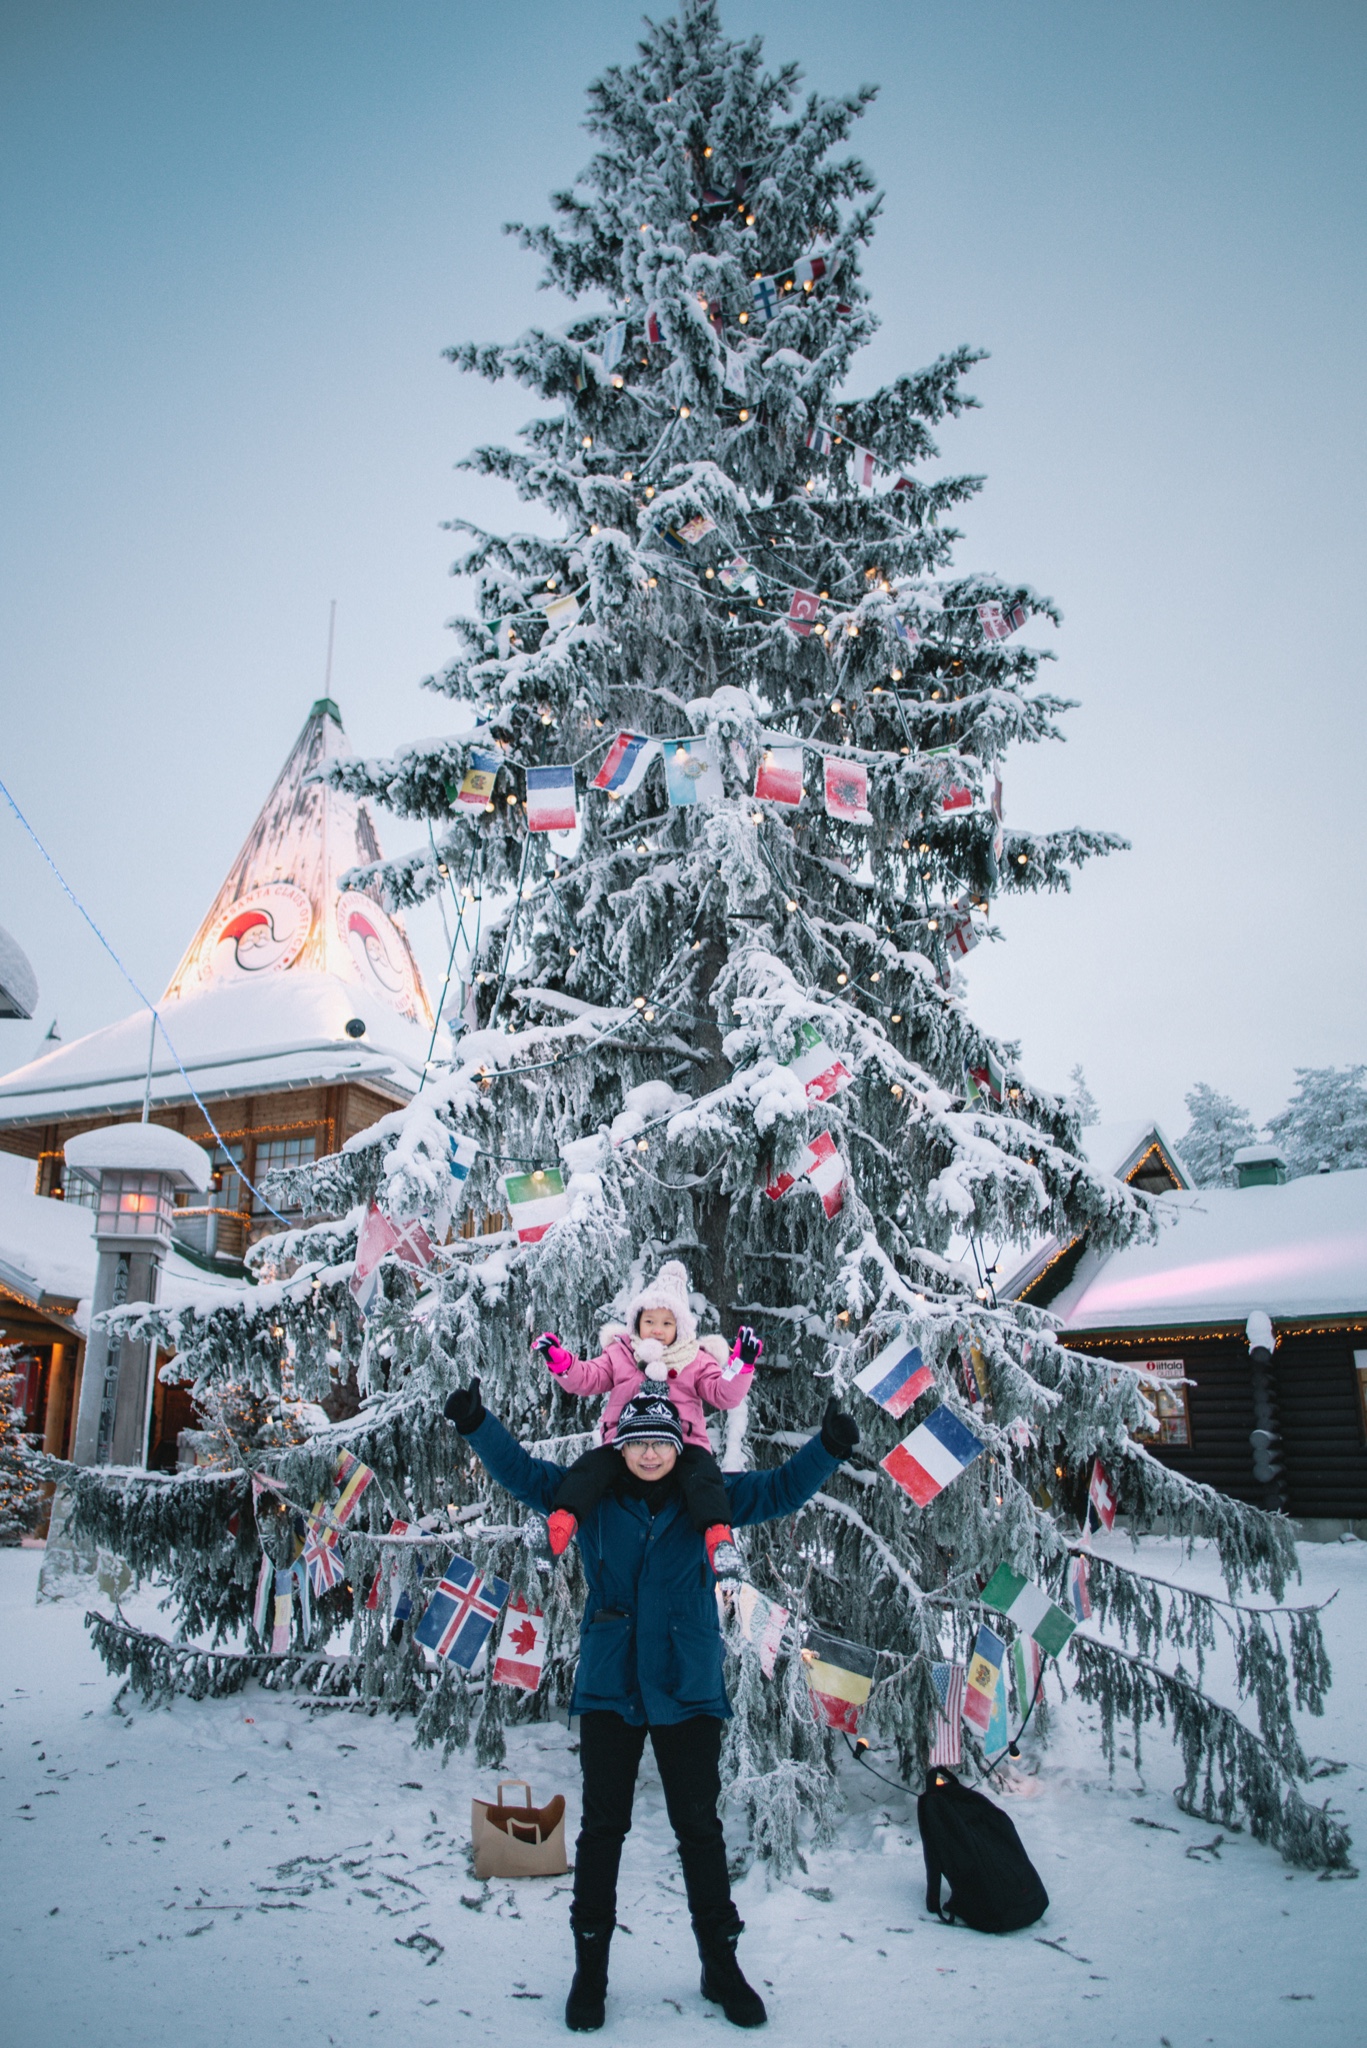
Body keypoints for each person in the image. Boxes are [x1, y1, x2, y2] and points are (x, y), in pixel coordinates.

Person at [444, 1376, 860, 2032]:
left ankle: (720, 1967)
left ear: (676, 1443)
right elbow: (520, 1471)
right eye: (635, 1441)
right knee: (603, 1830)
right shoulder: (592, 1495)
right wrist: (475, 1421)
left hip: (687, 1686)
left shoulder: (709, 1496)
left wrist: (827, 1447)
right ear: (619, 1443)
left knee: (699, 1830)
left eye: (658, 1442)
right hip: (611, 1686)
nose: (647, 1454)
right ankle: (590, 1970)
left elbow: (780, 1488)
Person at [533, 1259, 760, 1578]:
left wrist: (741, 1365)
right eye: (650, 1320)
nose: (657, 1329)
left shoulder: (695, 1359)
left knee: (705, 1479)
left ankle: (719, 1542)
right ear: (636, 1321)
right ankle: (556, 1533)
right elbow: (588, 1378)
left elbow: (722, 1393)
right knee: (589, 1470)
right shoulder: (621, 1354)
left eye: (667, 1323)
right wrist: (562, 1363)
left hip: (683, 1445)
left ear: (679, 1328)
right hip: (623, 1444)